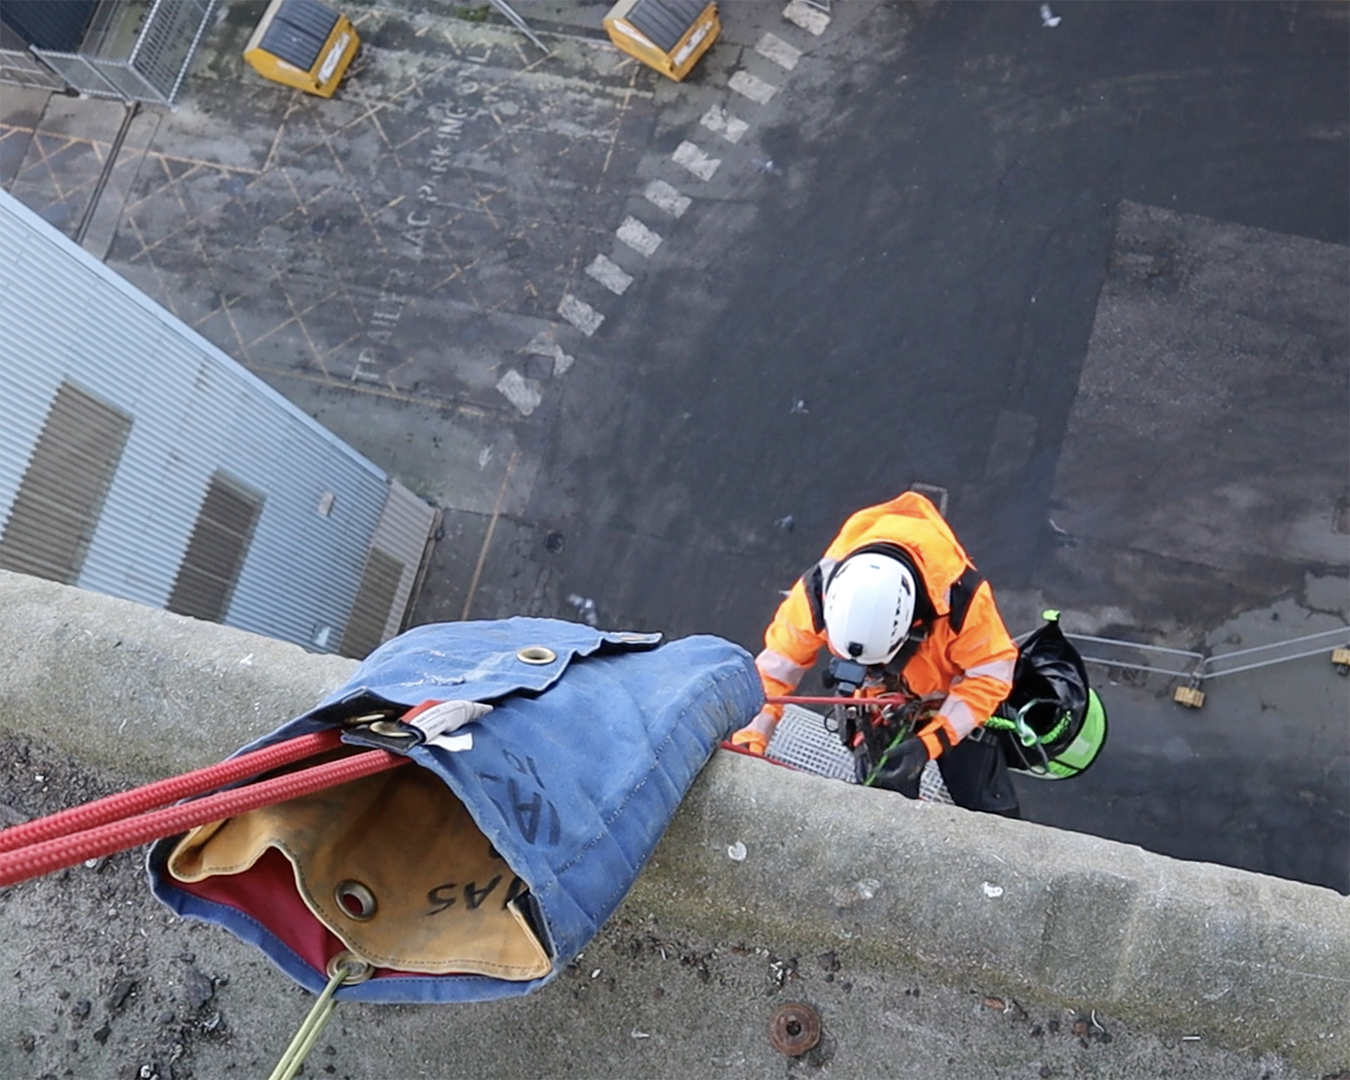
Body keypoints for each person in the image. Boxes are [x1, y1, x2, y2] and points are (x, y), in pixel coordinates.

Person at [730, 491, 1022, 816]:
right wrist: (749, 742)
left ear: (912, 625)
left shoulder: (961, 598)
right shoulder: (818, 593)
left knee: (983, 800)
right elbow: (771, 676)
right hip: (880, 706)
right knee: (881, 798)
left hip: (951, 698)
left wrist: (933, 741)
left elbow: (991, 674)